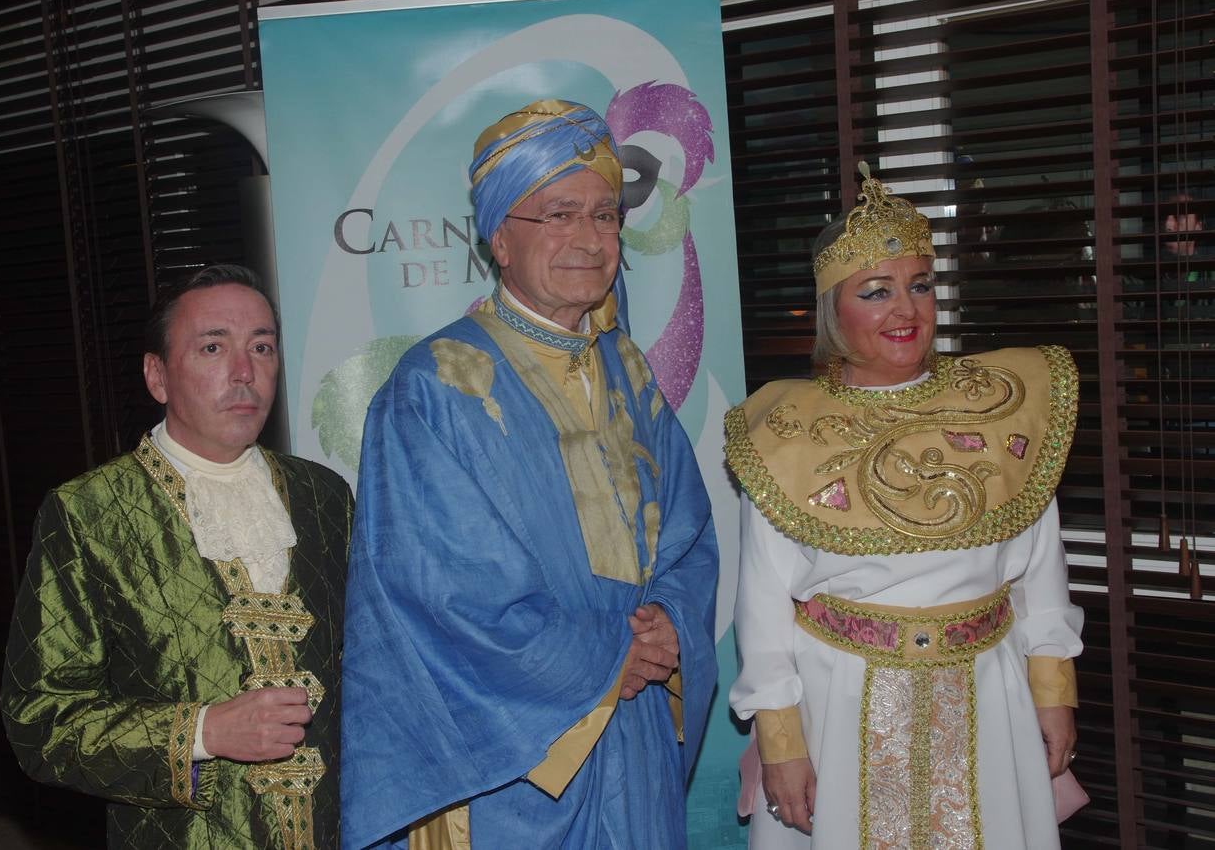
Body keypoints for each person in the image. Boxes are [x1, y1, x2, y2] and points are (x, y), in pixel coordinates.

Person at [340, 99, 719, 849]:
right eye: (557, 214)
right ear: (498, 241)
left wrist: (673, 621)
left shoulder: (629, 372)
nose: (587, 237)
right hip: (515, 765)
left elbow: (687, 532)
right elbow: (440, 595)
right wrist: (612, 654)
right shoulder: (435, 388)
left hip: (633, 735)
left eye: (605, 214)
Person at [725, 167, 1084, 849]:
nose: (906, 310)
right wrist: (780, 740)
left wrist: (1054, 689)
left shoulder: (1002, 409)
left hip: (990, 694)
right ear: (835, 308)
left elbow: (1041, 567)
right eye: (876, 291)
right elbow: (762, 605)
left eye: (919, 285)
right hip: (842, 701)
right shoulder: (785, 430)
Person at [2, 264, 352, 849]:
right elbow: (41, 721)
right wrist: (203, 731)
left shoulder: (324, 495)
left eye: (261, 347)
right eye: (213, 347)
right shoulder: (90, 511)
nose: (245, 373)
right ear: (157, 376)